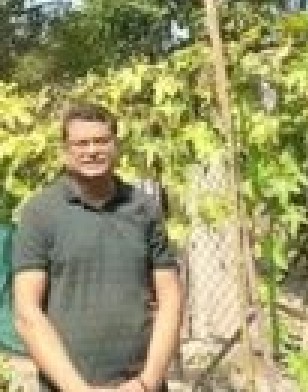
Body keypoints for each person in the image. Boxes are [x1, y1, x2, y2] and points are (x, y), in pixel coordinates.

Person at [11, 102, 183, 391]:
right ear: (65, 151)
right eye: (81, 143)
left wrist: (148, 382)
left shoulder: (144, 208)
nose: (92, 151)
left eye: (102, 141)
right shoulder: (41, 213)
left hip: (139, 385)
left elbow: (171, 299)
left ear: (115, 146)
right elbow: (27, 313)